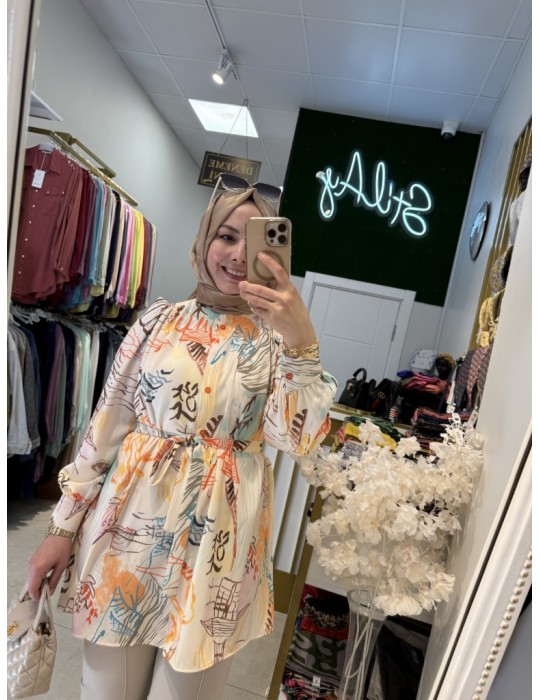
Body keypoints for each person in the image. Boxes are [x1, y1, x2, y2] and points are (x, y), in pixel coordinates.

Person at [25, 178, 337, 700]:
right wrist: (61, 528)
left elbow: (297, 439)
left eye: (253, 242)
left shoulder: (278, 344)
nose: (238, 256)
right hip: (129, 538)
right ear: (204, 240)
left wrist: (301, 340)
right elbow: (105, 431)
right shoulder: (158, 322)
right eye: (226, 237)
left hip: (220, 552)